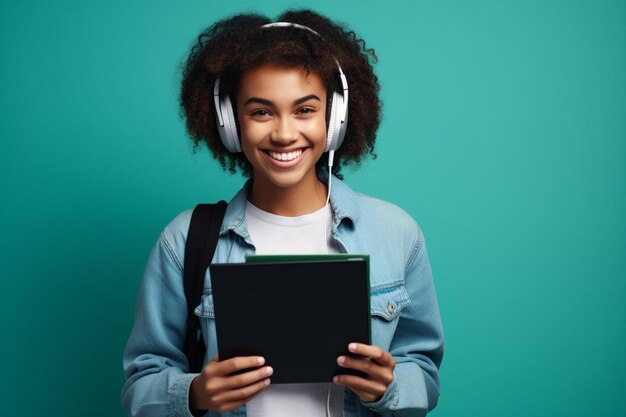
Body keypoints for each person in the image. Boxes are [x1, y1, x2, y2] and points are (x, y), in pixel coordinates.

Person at [122, 9, 443, 417]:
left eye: (305, 110)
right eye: (261, 112)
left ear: (336, 117)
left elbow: (426, 373)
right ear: (229, 122)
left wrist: (389, 388)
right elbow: (140, 385)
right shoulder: (185, 241)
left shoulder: (397, 233)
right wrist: (196, 393)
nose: (284, 133)